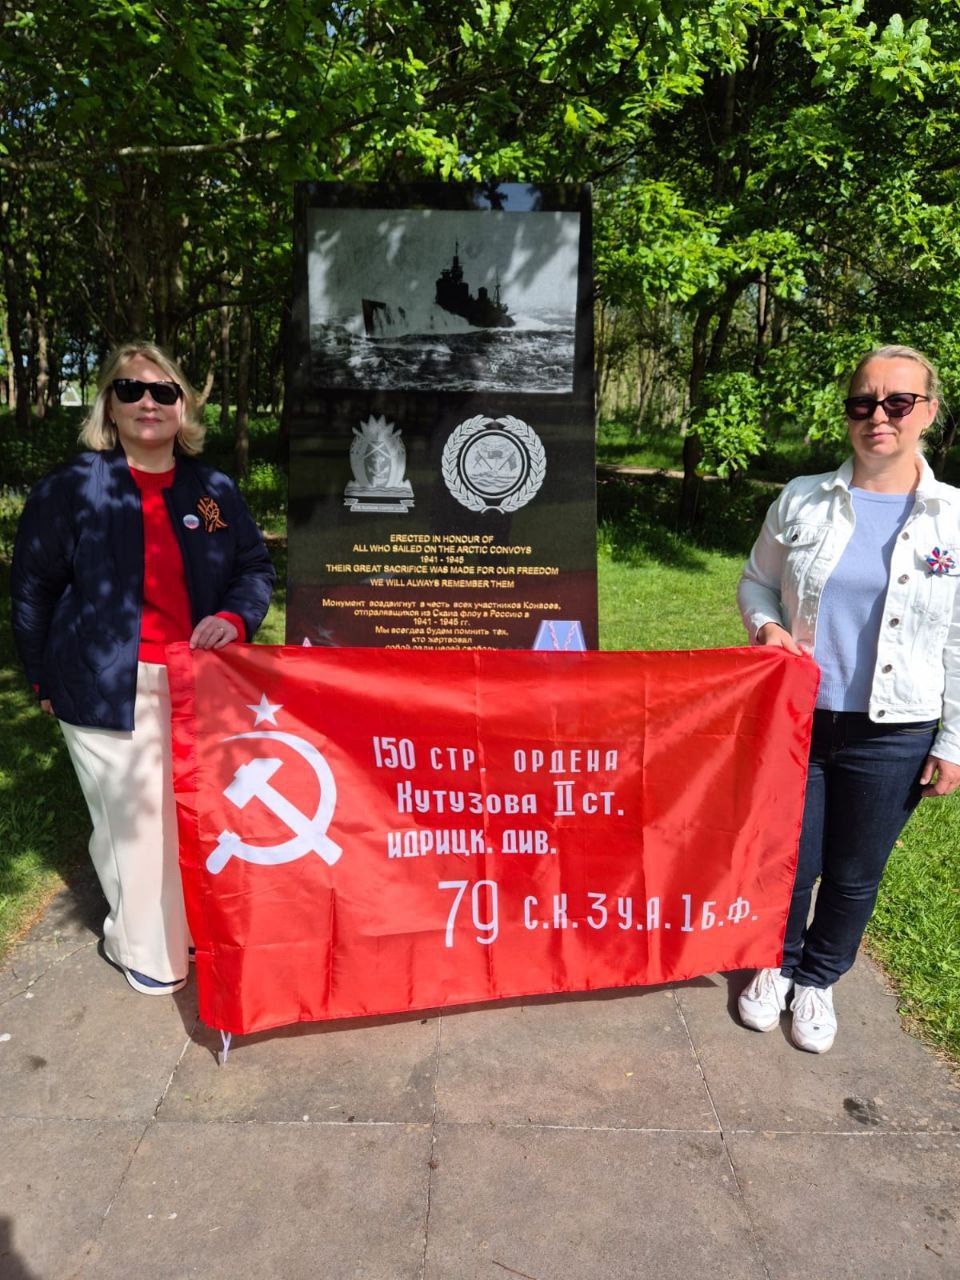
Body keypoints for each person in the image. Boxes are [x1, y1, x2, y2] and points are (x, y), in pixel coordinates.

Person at [11, 340, 275, 996]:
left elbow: (252, 568)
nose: (148, 403)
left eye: (163, 391)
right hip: (103, 682)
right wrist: (42, 677)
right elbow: (32, 591)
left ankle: (155, 925)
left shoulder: (212, 489)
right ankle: (152, 953)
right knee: (136, 822)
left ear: (183, 405)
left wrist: (237, 619)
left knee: (179, 815)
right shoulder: (71, 489)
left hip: (197, 682)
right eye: (131, 390)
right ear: (110, 404)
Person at [736, 344, 960, 1052]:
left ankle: (819, 980)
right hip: (798, 719)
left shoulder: (952, 518)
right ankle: (776, 964)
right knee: (790, 861)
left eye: (898, 402)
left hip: (895, 731)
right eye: (863, 402)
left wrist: (954, 742)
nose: (878, 417)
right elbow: (755, 582)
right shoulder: (803, 497)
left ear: (928, 412)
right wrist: (768, 627)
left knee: (855, 872)